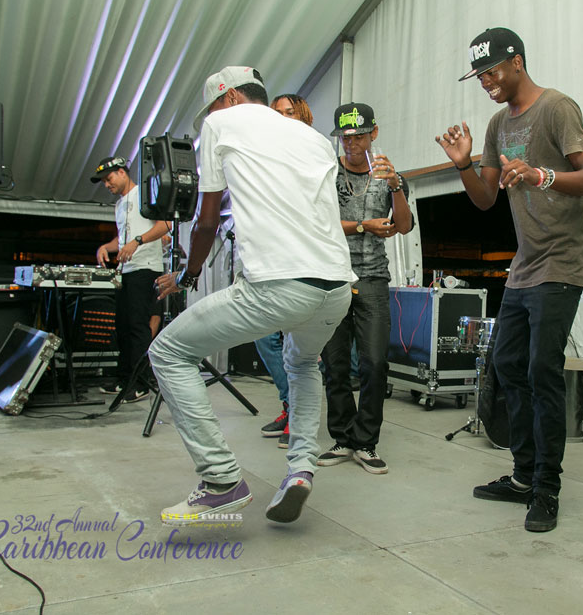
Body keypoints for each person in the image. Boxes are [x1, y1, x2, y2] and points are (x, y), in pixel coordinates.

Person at [150, 66, 354, 526]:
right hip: (336, 286)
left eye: (212, 107)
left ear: (228, 98)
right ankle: (300, 469)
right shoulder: (313, 138)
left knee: (168, 351)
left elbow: (206, 219)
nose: (211, 115)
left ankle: (221, 480)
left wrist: (189, 273)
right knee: (303, 364)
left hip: (279, 285)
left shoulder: (221, 124)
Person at [435, 27, 583, 533]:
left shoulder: (556, 108)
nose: (486, 82)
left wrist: (540, 175)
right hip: (526, 264)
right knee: (507, 362)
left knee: (541, 369)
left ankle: (546, 488)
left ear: (517, 62)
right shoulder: (496, 124)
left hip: (563, 260)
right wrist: (464, 165)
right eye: (479, 76)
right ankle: (523, 475)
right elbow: (485, 198)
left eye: (491, 71)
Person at [316, 102, 413, 476]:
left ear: (374, 133)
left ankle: (366, 441)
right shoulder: (328, 175)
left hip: (372, 279)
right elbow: (320, 223)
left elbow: (403, 226)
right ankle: (342, 437)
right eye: (344, 137)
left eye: (358, 136)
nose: (351, 143)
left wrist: (396, 186)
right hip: (334, 276)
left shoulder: (389, 176)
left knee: (374, 362)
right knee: (336, 364)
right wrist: (362, 226)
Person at [258, 93, 316, 449]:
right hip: (273, 258)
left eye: (289, 112)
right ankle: (289, 405)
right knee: (264, 335)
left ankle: (299, 414)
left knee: (296, 344)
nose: (282, 117)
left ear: (303, 116)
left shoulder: (314, 152)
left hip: (305, 261)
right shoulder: (269, 155)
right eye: (276, 113)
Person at [91, 156, 169, 402]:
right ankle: (124, 379)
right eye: (104, 182)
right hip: (126, 271)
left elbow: (165, 225)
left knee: (138, 326)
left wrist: (138, 242)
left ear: (122, 172)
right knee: (122, 327)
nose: (107, 185)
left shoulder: (145, 194)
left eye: (109, 179)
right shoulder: (119, 204)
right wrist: (107, 247)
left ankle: (141, 383)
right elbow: (122, 238)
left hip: (146, 268)